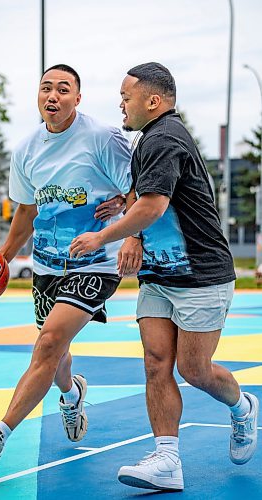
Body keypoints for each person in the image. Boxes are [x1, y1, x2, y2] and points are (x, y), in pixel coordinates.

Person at [70, 62, 259, 492]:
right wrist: (132, 228)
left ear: (153, 101)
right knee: (157, 363)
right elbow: (142, 194)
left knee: (195, 369)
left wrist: (102, 237)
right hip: (158, 275)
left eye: (126, 96)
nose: (121, 103)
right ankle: (167, 459)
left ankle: (243, 405)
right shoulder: (147, 142)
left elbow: (153, 205)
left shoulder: (165, 138)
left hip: (201, 275)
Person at [0, 63, 142, 472]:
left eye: (63, 89)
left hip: (95, 261)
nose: (53, 96)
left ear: (77, 98)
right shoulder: (26, 150)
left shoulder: (102, 138)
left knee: (46, 344)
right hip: (47, 265)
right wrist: (0, 260)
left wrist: (126, 224)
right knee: (56, 351)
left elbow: (138, 188)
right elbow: (26, 210)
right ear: (37, 97)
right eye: (46, 88)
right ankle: (72, 394)